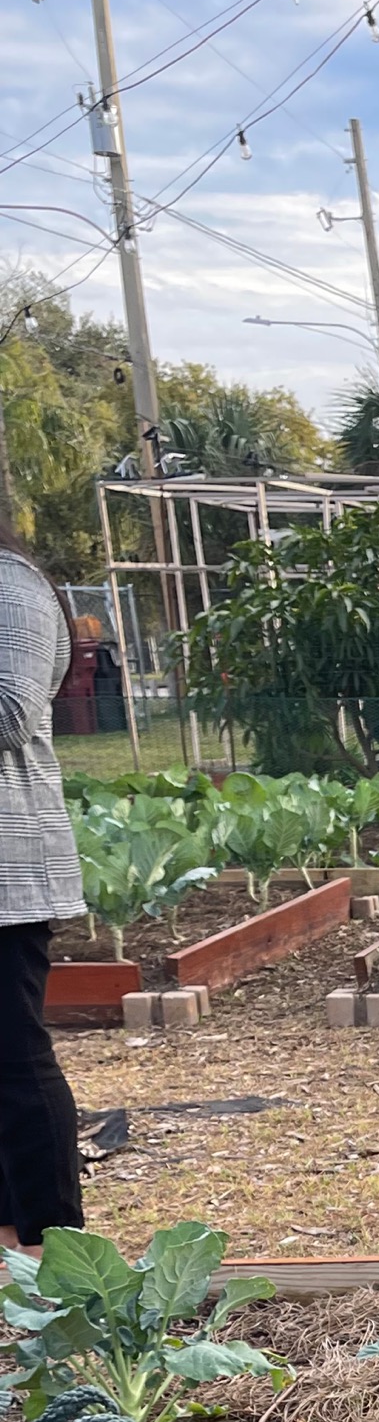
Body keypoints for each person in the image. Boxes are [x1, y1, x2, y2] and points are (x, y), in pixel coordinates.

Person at [0, 533, 86, 1253]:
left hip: (8, 873)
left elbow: (10, 712)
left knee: (14, 1059)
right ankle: (9, 1255)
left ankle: (54, 1255)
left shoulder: (11, 583)